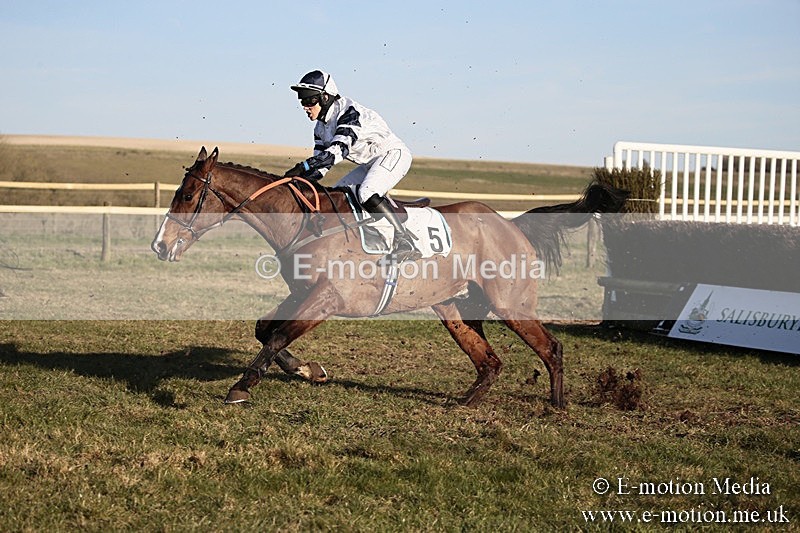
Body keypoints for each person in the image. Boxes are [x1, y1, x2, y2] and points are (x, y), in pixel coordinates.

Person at [284, 69, 421, 263]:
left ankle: (405, 241)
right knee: (338, 195)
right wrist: (297, 181)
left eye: (308, 101)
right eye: (302, 101)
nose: (305, 107)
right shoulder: (320, 128)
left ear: (324, 97)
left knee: (366, 193)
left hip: (393, 155)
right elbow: (320, 168)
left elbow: (337, 151)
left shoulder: (349, 112)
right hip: (369, 163)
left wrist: (302, 167)